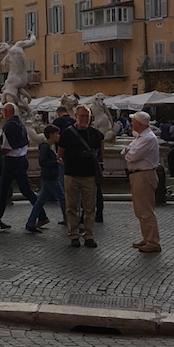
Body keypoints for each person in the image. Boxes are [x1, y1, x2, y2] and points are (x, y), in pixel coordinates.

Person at [57, 104, 103, 248]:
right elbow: (60, 153)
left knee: (90, 207)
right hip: (71, 174)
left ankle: (89, 235)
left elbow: (100, 153)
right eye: (82, 116)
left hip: (89, 175)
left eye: (87, 117)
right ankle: (73, 235)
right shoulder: (67, 133)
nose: (84, 119)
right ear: (76, 116)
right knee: (71, 207)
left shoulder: (95, 133)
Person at [123, 110, 162, 253]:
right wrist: (127, 152)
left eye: (133, 121)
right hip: (139, 175)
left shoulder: (148, 138)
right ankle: (147, 238)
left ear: (139, 123)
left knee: (146, 210)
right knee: (140, 209)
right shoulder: (141, 137)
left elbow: (132, 155)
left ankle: (152, 241)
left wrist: (127, 152)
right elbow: (129, 151)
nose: (131, 123)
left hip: (144, 175)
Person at [0, 103, 37, 219]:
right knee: (26, 190)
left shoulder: (8, 126)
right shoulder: (21, 124)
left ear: (6, 112)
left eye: (3, 112)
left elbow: (7, 147)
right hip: (22, 160)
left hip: (11, 161)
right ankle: (41, 214)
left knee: (2, 191)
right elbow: (27, 142)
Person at [25, 125, 67, 234]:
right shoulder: (45, 147)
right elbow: (42, 162)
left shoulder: (49, 146)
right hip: (50, 177)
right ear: (51, 135)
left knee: (40, 201)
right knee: (62, 198)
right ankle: (69, 220)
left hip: (48, 177)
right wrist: (56, 162)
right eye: (57, 134)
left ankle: (30, 223)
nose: (59, 136)